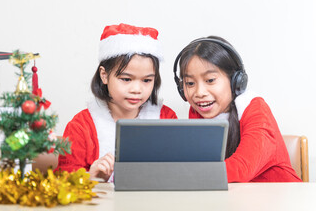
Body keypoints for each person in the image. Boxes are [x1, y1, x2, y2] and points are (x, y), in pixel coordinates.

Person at [56, 23, 177, 181]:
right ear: (104, 75)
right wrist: (90, 178)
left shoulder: (166, 118)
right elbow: (63, 178)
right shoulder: (81, 126)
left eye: (147, 80)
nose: (136, 89)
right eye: (126, 79)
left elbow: (178, 170)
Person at [173, 36, 301, 182]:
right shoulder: (199, 111)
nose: (199, 92)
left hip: (280, 200)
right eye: (190, 83)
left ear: (236, 81)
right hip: (235, 200)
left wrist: (179, 175)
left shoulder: (256, 110)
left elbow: (241, 169)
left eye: (210, 80)